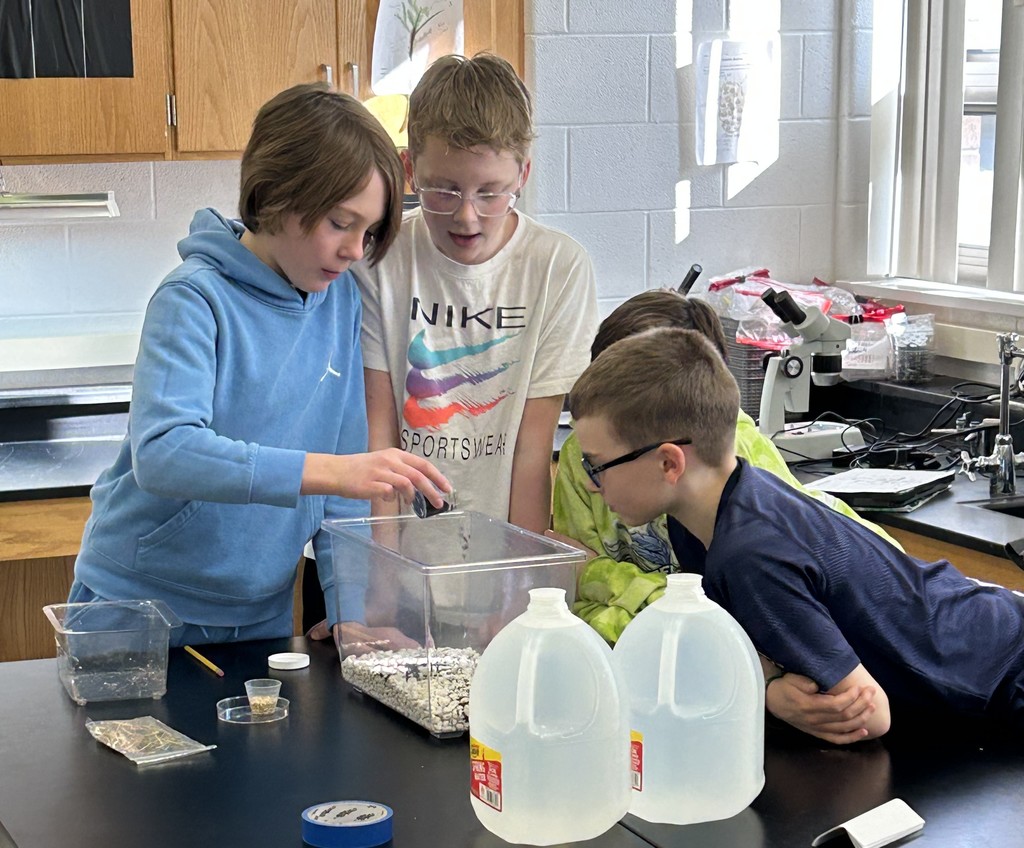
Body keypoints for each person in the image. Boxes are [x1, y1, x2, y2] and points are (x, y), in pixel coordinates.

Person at [69, 83, 450, 647]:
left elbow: (346, 481)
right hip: (135, 609)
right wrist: (329, 470)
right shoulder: (193, 299)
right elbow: (165, 453)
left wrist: (350, 611)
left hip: (260, 615)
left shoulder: (341, 300)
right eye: (340, 223)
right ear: (275, 196)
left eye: (366, 231)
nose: (353, 250)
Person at [568, 328, 1024, 743]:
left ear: (670, 463)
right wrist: (768, 685)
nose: (590, 482)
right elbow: (750, 637)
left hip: (1004, 673)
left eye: (596, 464)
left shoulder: (750, 555)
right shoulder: (708, 511)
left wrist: (767, 694)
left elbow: (869, 714)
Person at [353, 53, 598, 533]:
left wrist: (520, 580)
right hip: (400, 526)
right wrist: (384, 571)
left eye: (491, 193)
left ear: (523, 175)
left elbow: (532, 449)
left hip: (501, 529)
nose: (467, 217)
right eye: (443, 191)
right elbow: (377, 434)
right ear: (410, 170)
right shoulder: (380, 259)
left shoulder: (557, 268)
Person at [553, 290, 902, 572]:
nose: (592, 479)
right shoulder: (583, 453)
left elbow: (731, 600)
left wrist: (614, 589)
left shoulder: (734, 450)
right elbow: (575, 584)